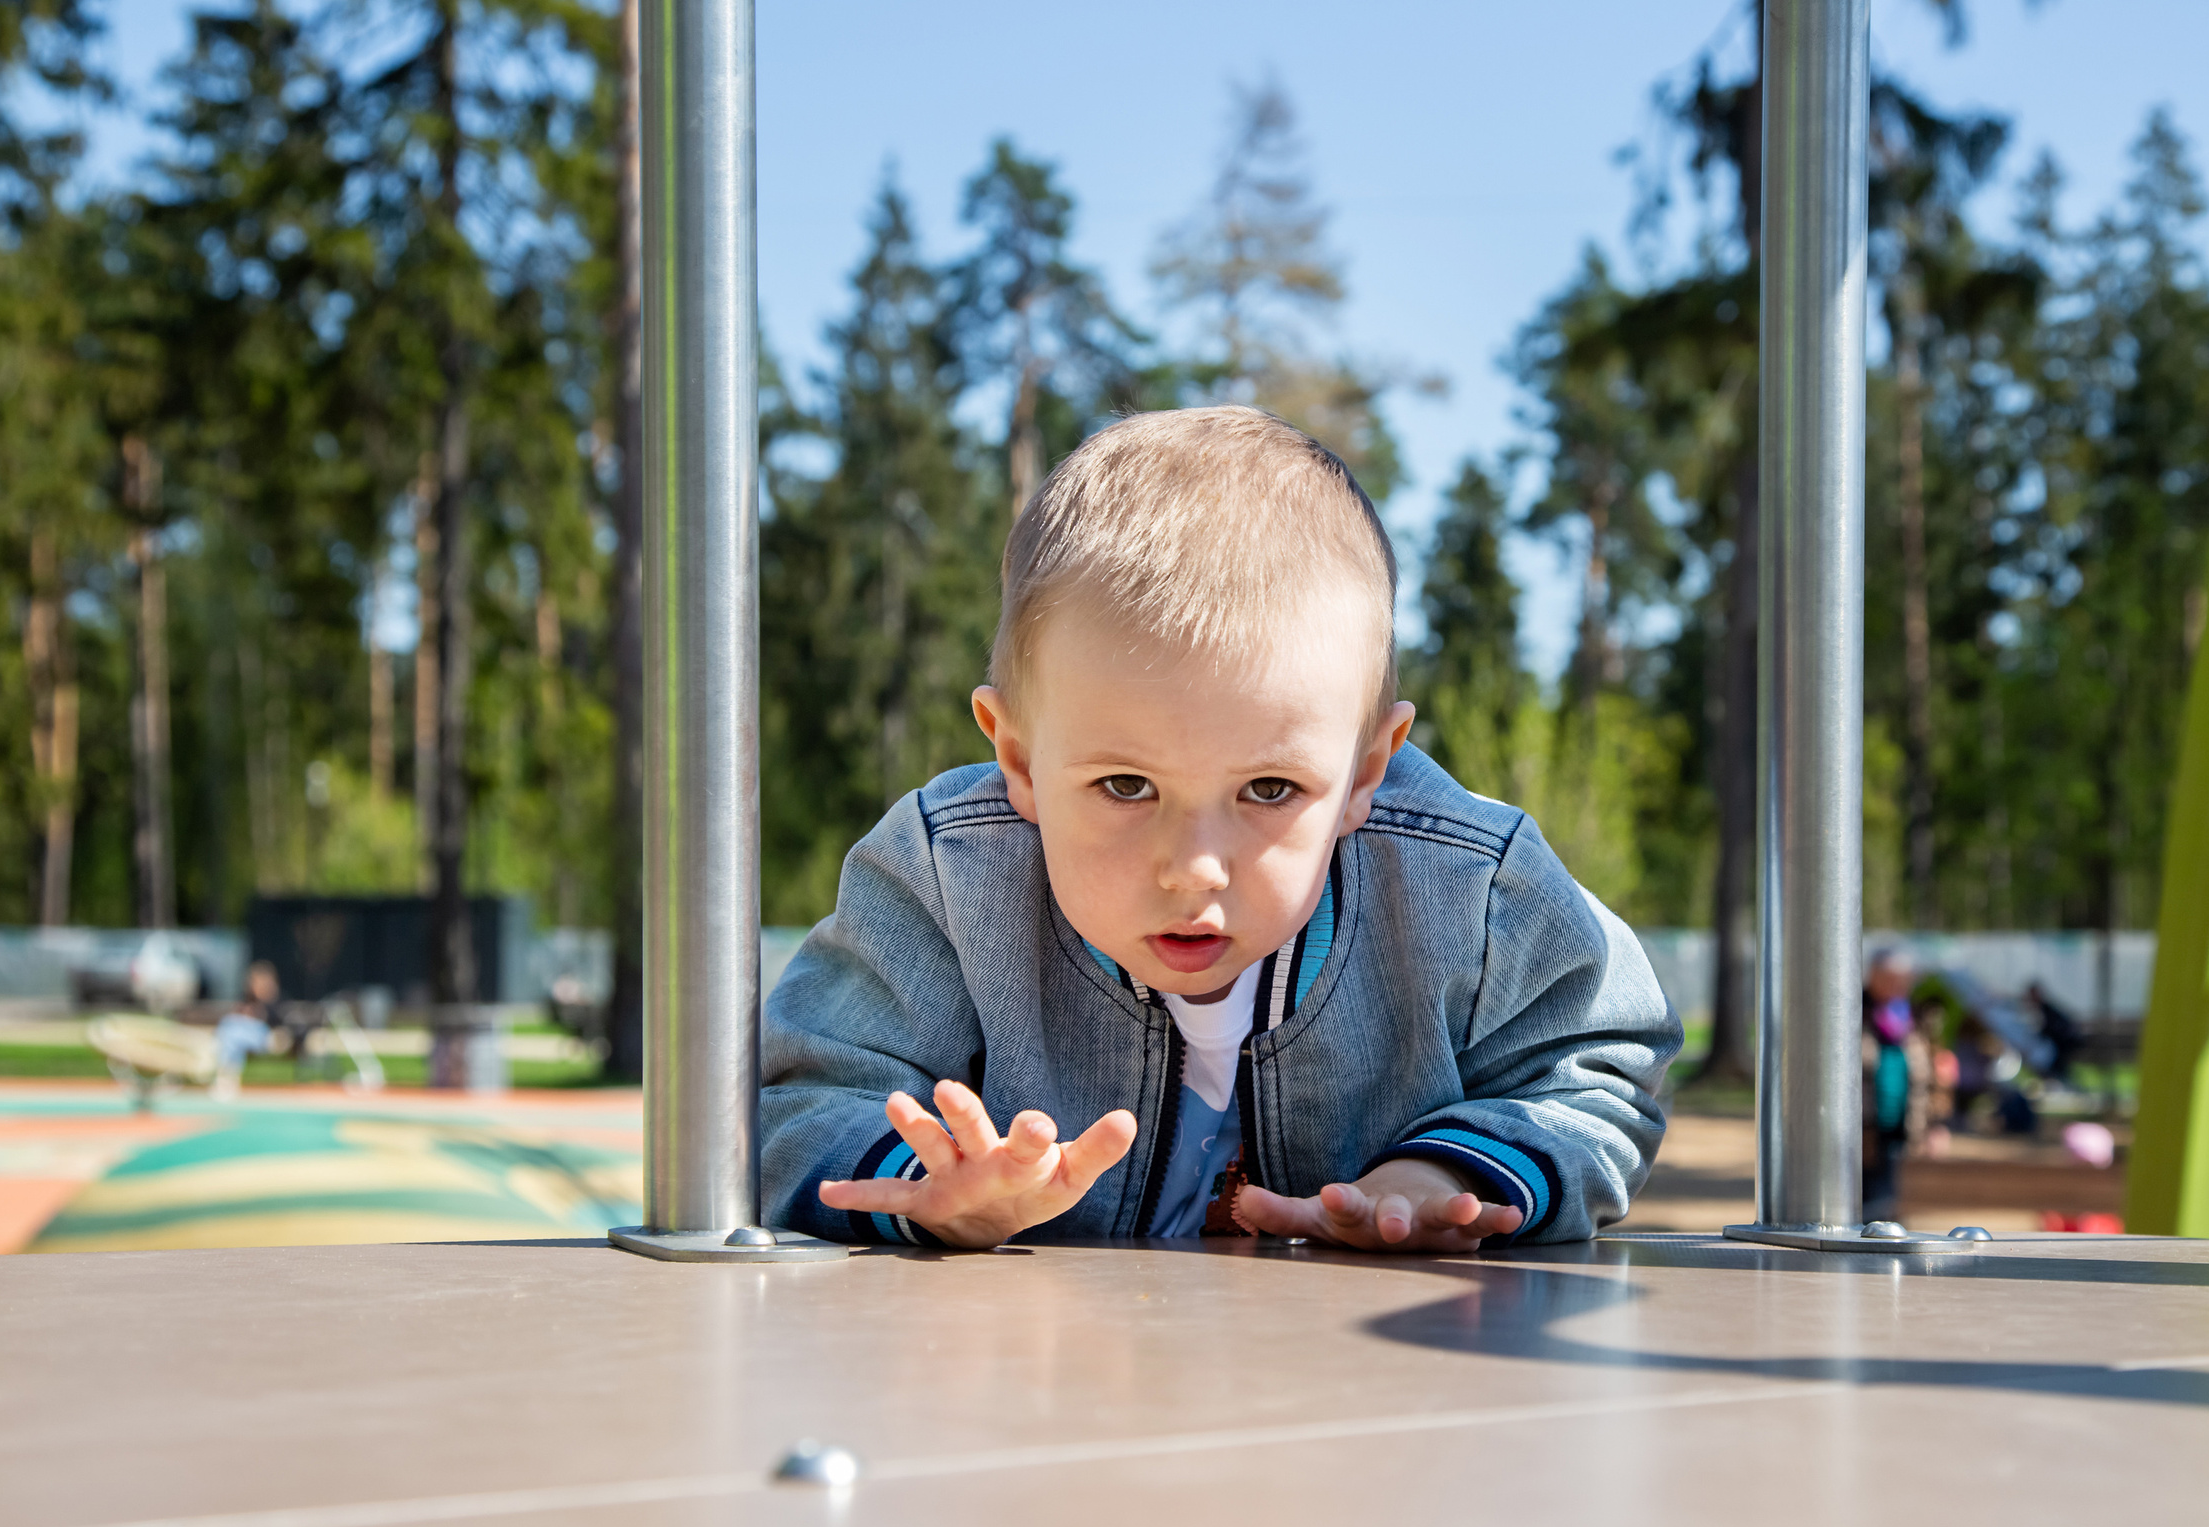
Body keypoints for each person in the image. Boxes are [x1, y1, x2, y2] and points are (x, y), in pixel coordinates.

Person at [761, 408, 1680, 1251]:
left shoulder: (1467, 889)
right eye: (1126, 784)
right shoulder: (946, 879)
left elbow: (1596, 1069)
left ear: (1367, 768)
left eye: (1270, 789)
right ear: (1019, 758)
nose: (1196, 868)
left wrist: (1445, 1169)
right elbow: (803, 1092)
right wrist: (928, 1184)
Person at [1860, 948, 1933, 1222]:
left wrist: (1931, 1124)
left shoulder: (1909, 1016)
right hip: (1863, 1128)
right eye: (1890, 978)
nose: (1898, 985)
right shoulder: (1853, 1011)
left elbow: (1926, 1074)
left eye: (1904, 979)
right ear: (1873, 976)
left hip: (1903, 1124)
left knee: (1893, 1204)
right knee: (1866, 1204)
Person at [211, 961, 284, 1101]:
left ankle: (226, 1076)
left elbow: (276, 1025)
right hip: (246, 1036)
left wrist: (258, 1013)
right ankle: (227, 1077)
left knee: (231, 1033)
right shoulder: (248, 1000)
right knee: (231, 1030)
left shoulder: (274, 1000)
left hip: (265, 1037)